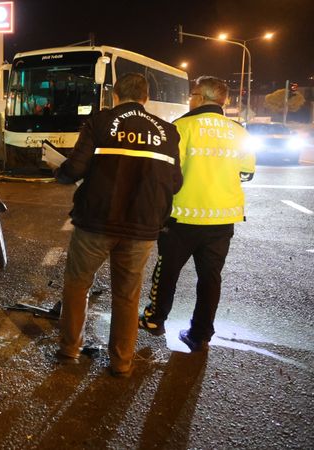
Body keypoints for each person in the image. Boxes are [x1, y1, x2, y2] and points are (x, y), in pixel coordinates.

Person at [49, 73, 182, 377]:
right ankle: (121, 362)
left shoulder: (99, 122)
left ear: (115, 94)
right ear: (146, 97)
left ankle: (70, 348)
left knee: (78, 283)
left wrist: (60, 170)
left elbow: (76, 168)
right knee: (127, 294)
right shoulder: (168, 132)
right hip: (143, 226)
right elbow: (175, 183)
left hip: (97, 221)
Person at [139, 76, 255, 351]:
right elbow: (246, 173)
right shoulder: (239, 131)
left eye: (191, 94)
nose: (189, 99)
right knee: (210, 277)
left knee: (166, 271)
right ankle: (201, 333)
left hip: (182, 216)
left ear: (200, 98)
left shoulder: (181, 127)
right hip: (222, 218)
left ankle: (155, 320)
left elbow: (166, 172)